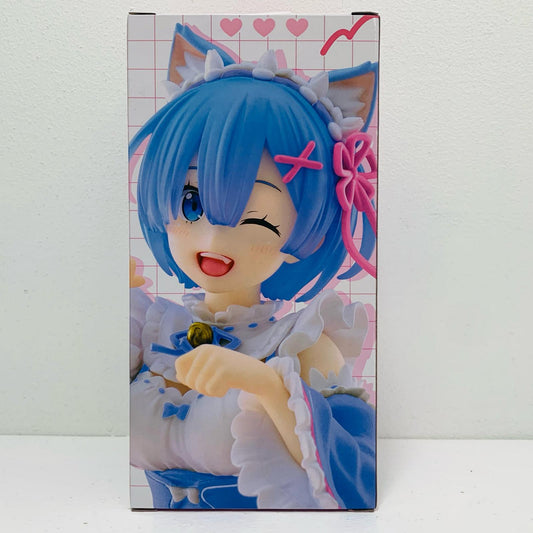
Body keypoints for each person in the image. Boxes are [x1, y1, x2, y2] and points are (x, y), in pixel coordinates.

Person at [129, 23, 378, 509]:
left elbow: (359, 481)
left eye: (258, 218)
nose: (213, 241)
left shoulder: (304, 345)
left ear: (308, 229)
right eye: (192, 204)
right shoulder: (148, 328)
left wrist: (264, 383)